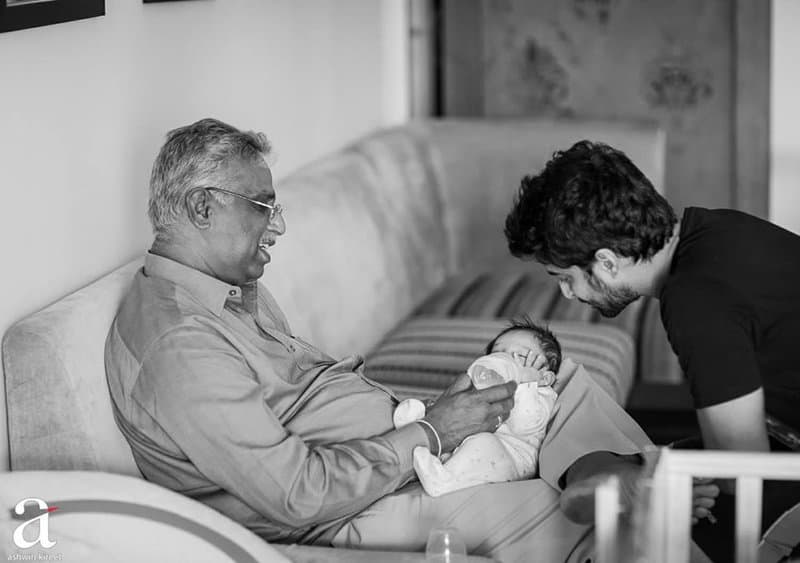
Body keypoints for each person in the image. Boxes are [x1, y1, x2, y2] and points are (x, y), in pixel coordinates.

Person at [104, 119, 699, 562]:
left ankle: (647, 486)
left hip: (398, 445)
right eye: (263, 206)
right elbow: (296, 495)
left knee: (554, 377)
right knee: (571, 519)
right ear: (202, 207)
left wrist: (439, 421)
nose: (278, 224)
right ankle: (651, 510)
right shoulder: (179, 346)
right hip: (354, 508)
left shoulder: (226, 293)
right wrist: (437, 429)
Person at [504, 139, 800, 561]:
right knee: (595, 473)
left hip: (777, 463)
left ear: (606, 261)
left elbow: (743, 469)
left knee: (620, 507)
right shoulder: (716, 228)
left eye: (565, 277)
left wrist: (660, 489)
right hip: (783, 434)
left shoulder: (696, 303)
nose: (566, 294)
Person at [393, 318, 561, 497]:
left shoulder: (542, 393)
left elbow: (524, 424)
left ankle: (443, 481)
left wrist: (527, 382)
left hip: (509, 458)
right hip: (470, 439)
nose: (505, 359)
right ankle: (421, 428)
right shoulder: (484, 382)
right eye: (497, 353)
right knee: (453, 411)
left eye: (520, 356)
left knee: (484, 443)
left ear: (546, 378)